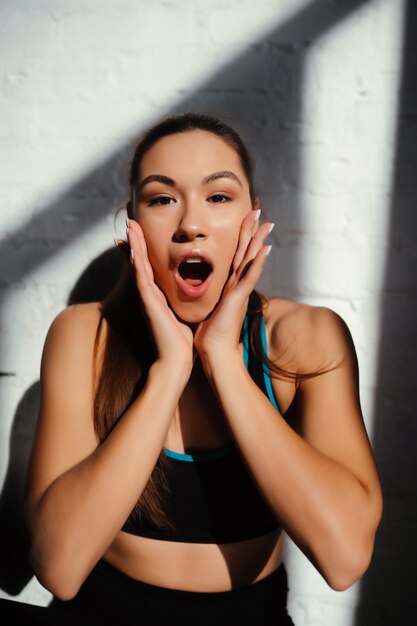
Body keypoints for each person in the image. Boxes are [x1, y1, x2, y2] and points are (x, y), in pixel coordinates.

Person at [0, 112, 383, 625]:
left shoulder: (304, 340)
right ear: (133, 224)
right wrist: (170, 369)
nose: (190, 225)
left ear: (252, 217)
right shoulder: (84, 334)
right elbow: (59, 568)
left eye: (219, 197)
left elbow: (343, 561)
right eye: (161, 199)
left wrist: (222, 358)